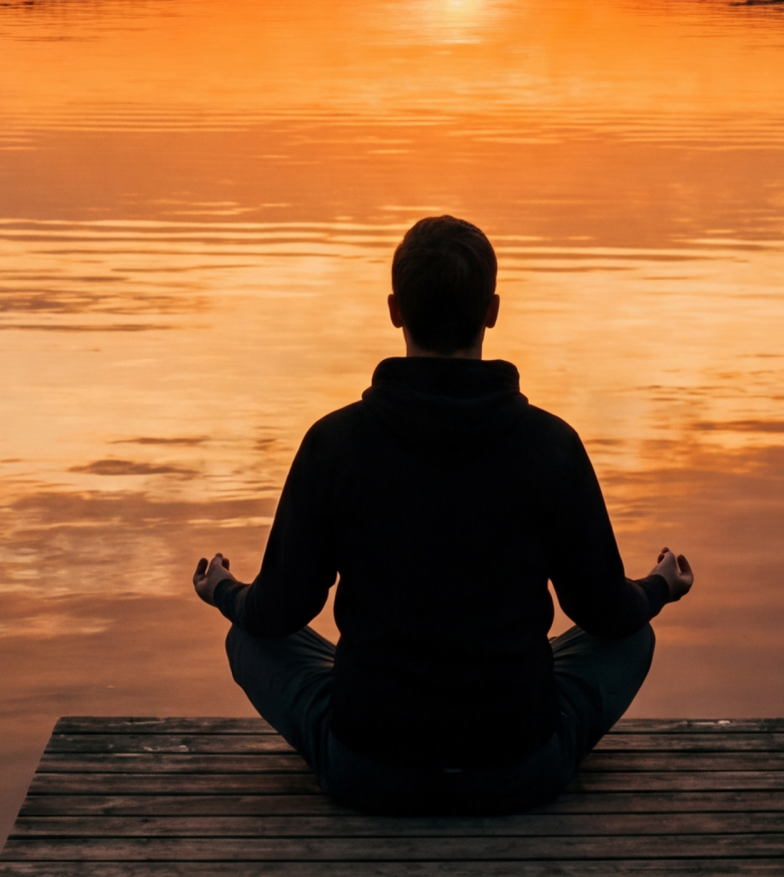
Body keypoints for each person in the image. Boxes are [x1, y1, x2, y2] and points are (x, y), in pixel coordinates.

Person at [193, 213, 694, 814]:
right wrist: (659, 587)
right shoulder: (550, 444)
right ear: (492, 310)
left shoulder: (335, 443)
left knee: (248, 638)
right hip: (519, 768)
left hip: (369, 769)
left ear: (395, 309)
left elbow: (276, 612)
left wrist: (225, 591)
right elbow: (607, 612)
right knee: (633, 636)